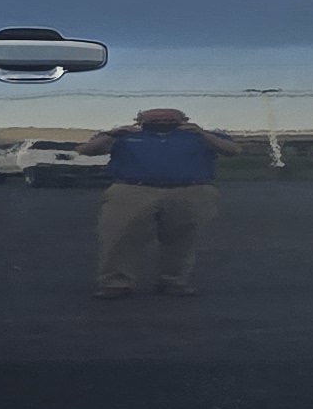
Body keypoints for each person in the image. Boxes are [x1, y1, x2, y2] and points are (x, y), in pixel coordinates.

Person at [88, 106, 221, 297]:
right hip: (132, 189)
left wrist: (201, 133)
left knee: (183, 238)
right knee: (119, 236)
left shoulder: (201, 136)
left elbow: (232, 150)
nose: (162, 122)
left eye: (169, 119)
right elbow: (87, 150)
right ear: (139, 121)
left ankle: (174, 281)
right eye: (155, 119)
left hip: (190, 190)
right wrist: (112, 134)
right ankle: (115, 283)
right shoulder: (123, 136)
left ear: (184, 120)